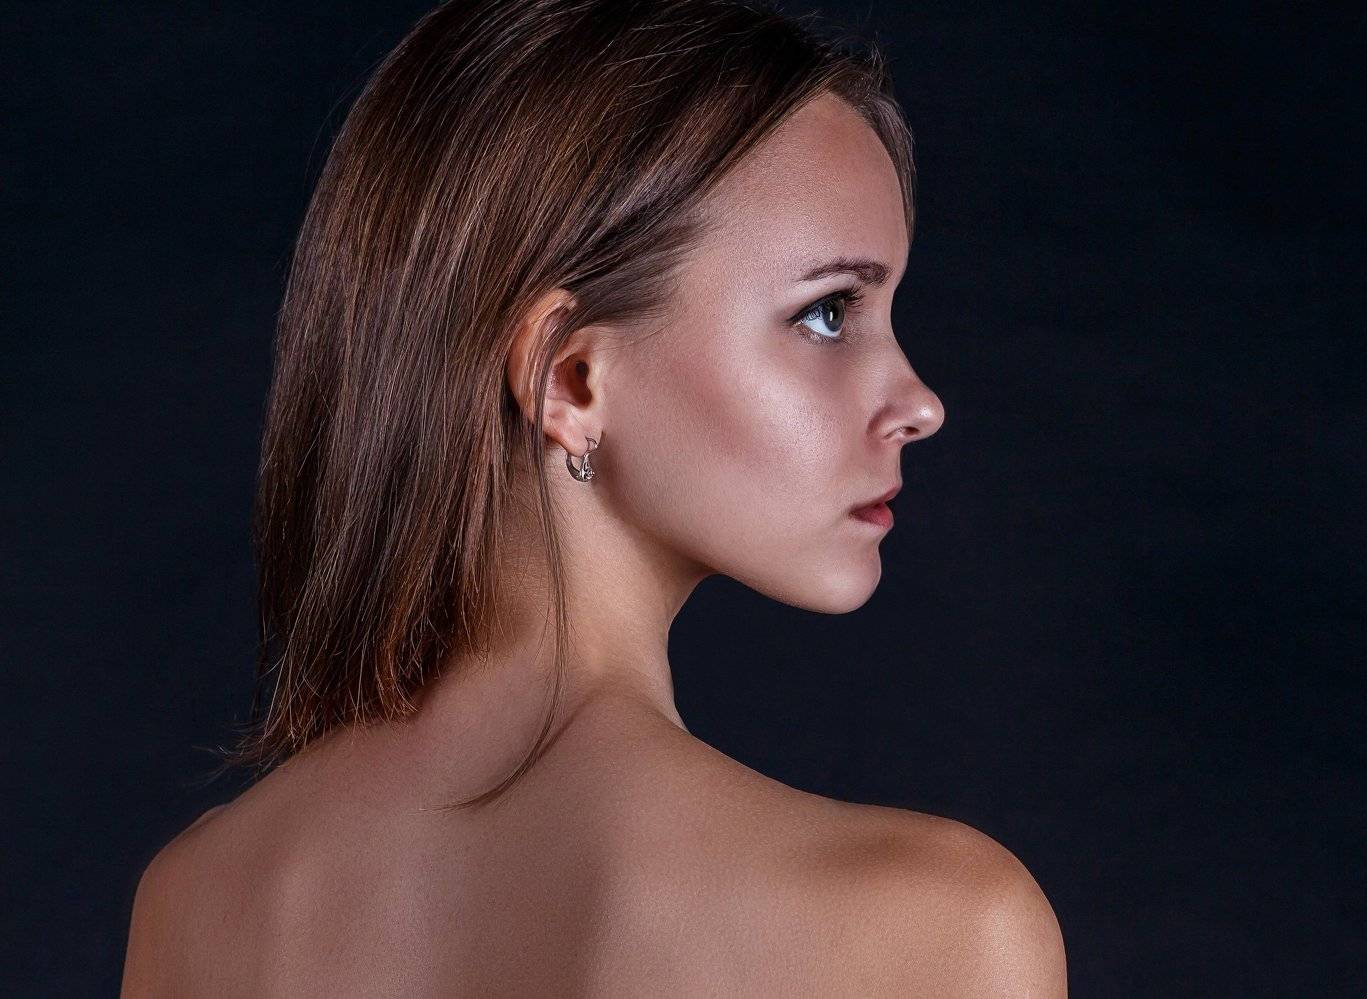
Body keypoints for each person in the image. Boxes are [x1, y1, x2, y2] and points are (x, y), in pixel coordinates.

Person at [121, 0, 1065, 994]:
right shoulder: (930, 927)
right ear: (570, 380)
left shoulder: (195, 897)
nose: (919, 404)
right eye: (828, 313)